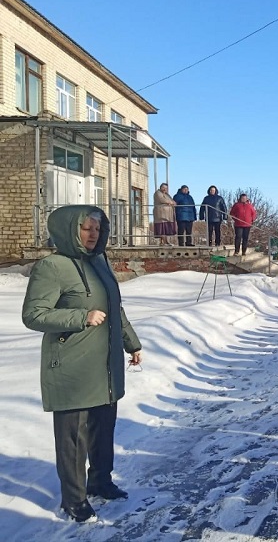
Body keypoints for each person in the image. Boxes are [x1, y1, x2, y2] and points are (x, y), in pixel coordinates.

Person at [22, 206, 142, 523]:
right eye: (87, 228)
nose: (94, 234)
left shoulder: (99, 263)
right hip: (71, 366)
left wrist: (132, 343)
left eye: (98, 229)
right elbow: (33, 315)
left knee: (103, 429)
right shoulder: (52, 266)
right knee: (73, 439)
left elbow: (115, 307)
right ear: (69, 230)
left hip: (103, 364)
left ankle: (100, 481)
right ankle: (73, 499)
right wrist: (81, 317)